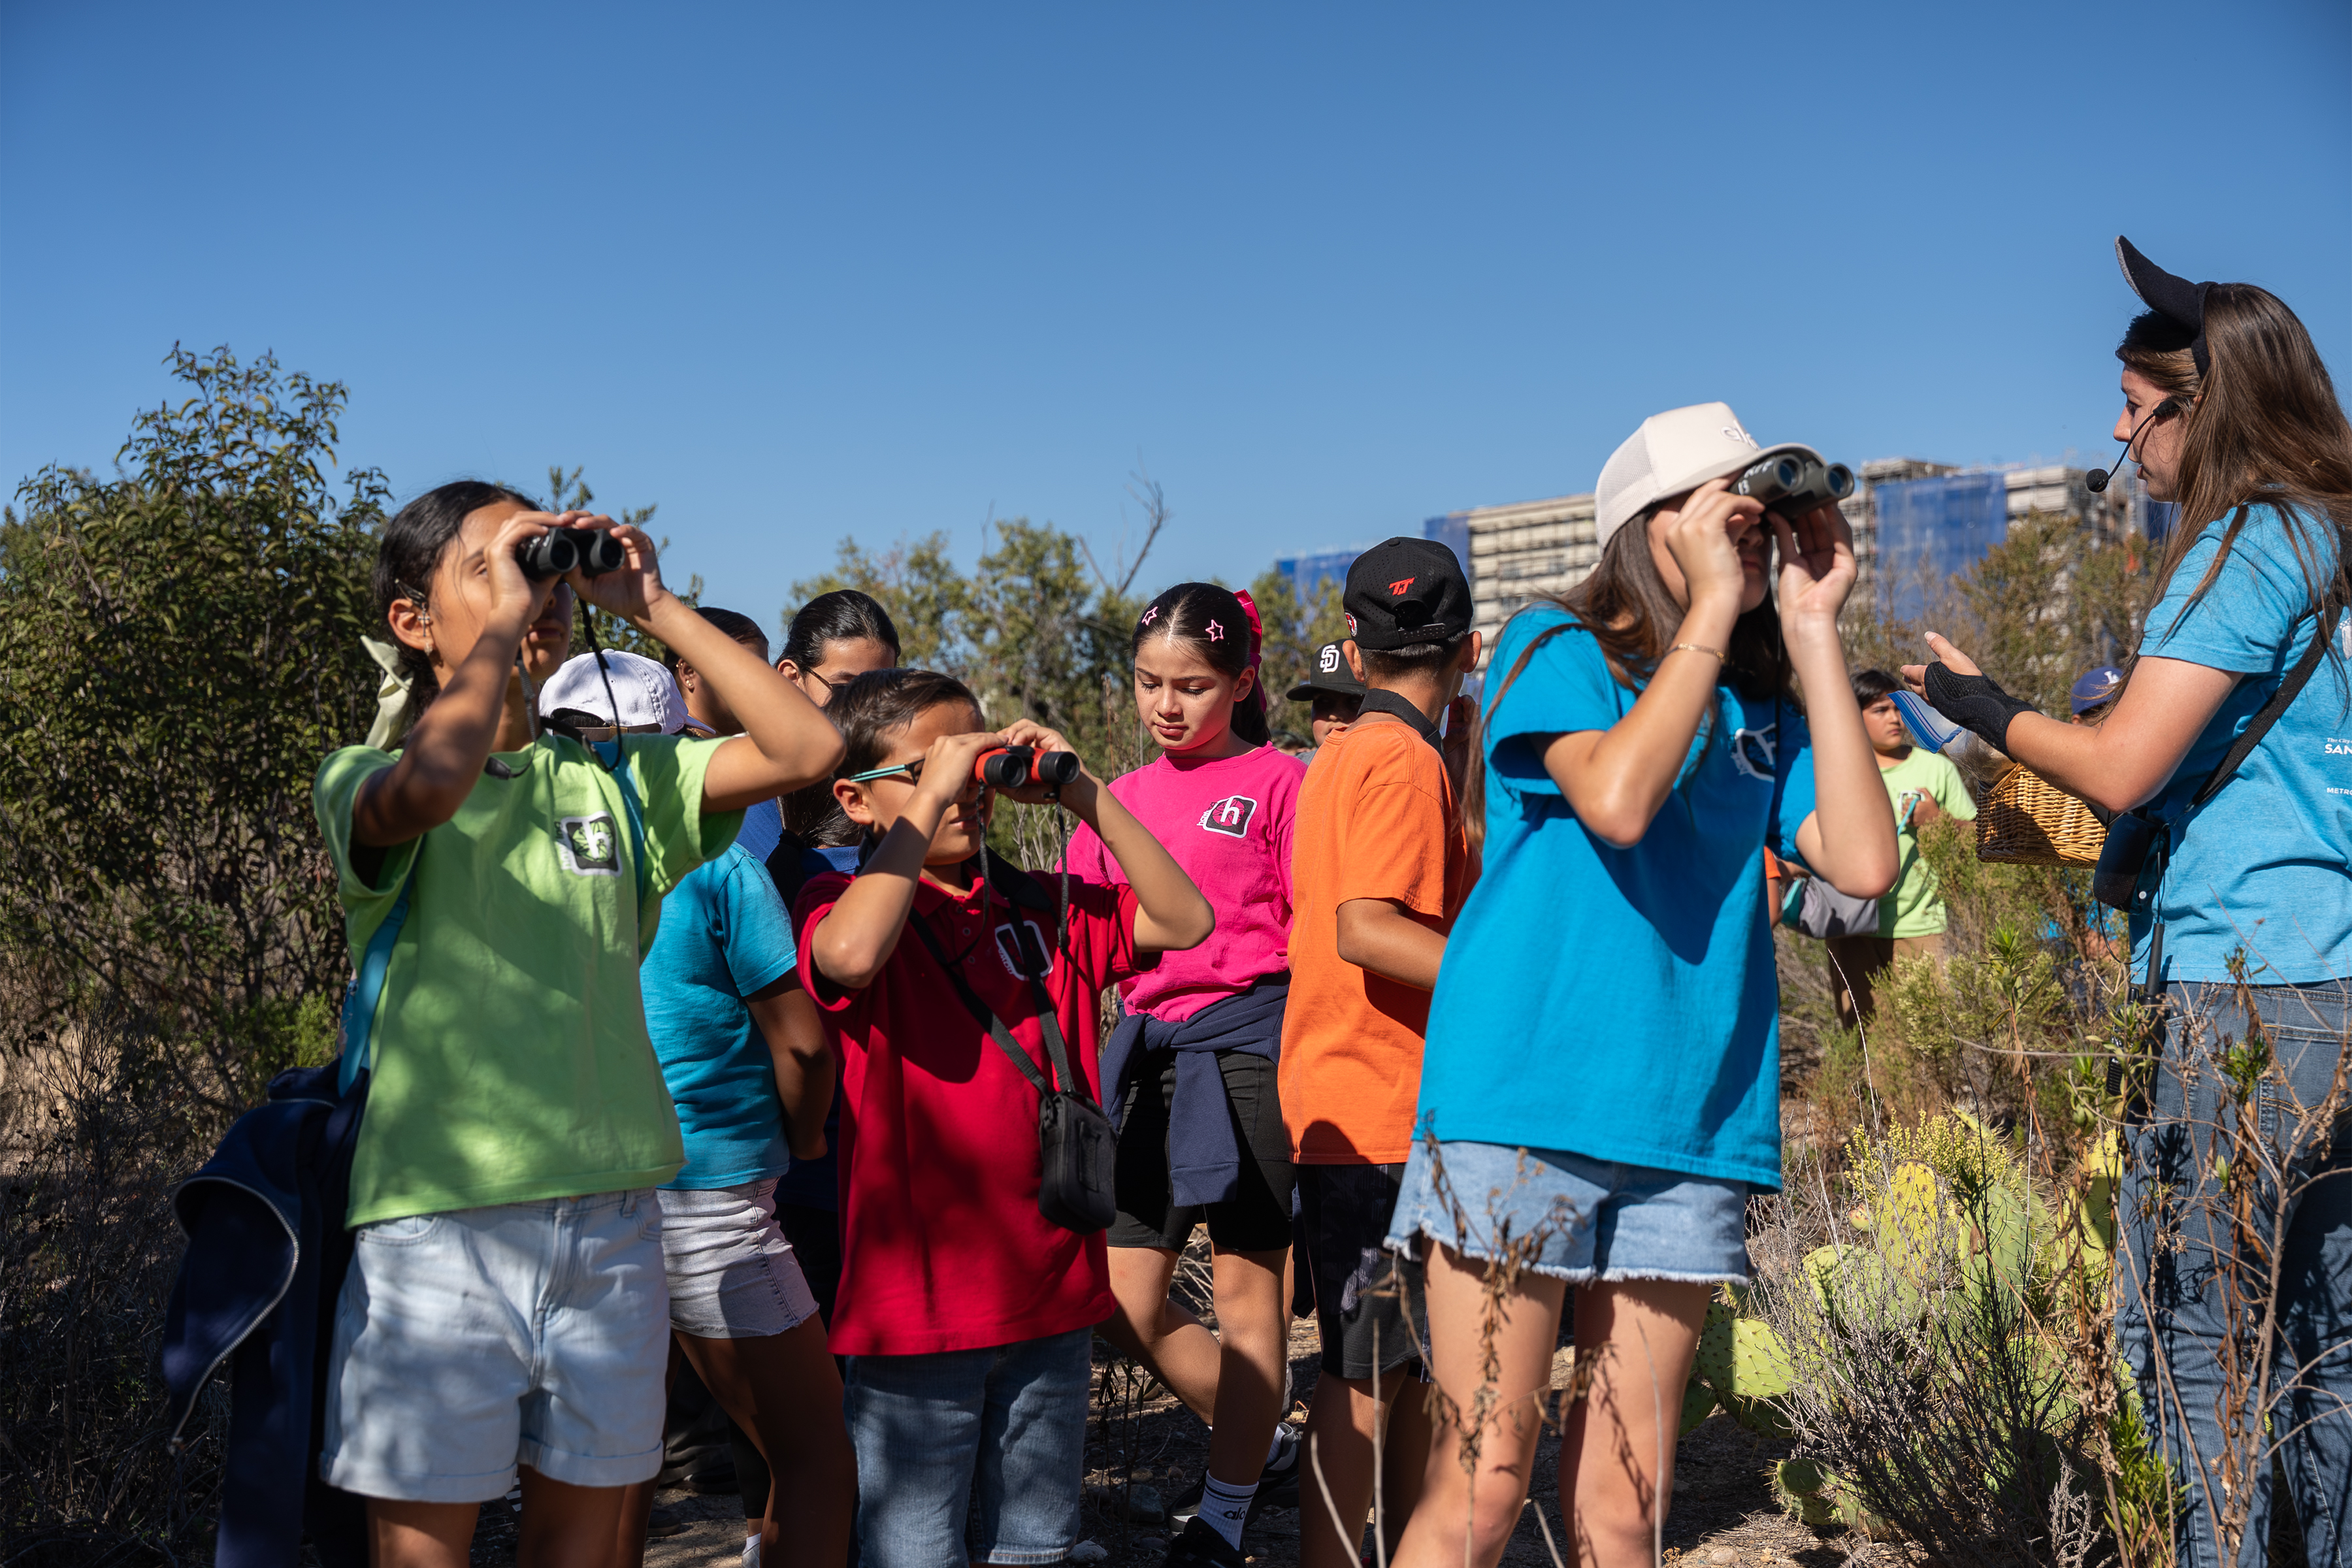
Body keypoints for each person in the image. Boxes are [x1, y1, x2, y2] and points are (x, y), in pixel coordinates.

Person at [1386, 402, 1898, 1568]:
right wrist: (1715, 607)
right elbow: (1617, 802)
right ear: (1648, 526)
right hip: (1521, 1110)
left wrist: (1814, 629)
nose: (1753, 536)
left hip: (1689, 1122)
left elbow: (1864, 865)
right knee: (1482, 1488)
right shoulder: (1550, 645)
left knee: (1627, 1507)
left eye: (1765, 518)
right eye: (1728, 513)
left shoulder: (1762, 704)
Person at [1904, 238, 2352, 1566]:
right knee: (2327, 1347)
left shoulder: (2248, 542)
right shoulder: (2336, 540)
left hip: (2244, 988)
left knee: (2207, 1344)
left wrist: (1983, 709)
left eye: (2133, 403)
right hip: (2334, 983)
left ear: (2201, 405)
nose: (2116, 430)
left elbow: (2120, 761)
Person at [312, 481, 842, 1568]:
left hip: (611, 1222)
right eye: (493, 566)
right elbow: (433, 783)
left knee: (584, 1543)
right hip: (438, 1224)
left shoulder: (618, 787)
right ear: (412, 622)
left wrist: (650, 602)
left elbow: (806, 749)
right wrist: (507, 626)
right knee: (425, 1550)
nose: (538, 592)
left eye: (545, 568)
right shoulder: (361, 779)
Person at [793, 670, 1215, 1568]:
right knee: (913, 1553)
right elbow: (852, 957)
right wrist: (933, 789)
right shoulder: (839, 908)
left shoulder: (1038, 906)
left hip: (1052, 1296)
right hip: (919, 1315)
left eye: (974, 761)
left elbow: (1186, 919)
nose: (964, 790)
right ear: (855, 802)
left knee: (1035, 1549)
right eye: (926, 769)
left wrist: (1080, 790)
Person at [538, 651, 855, 1568]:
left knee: (614, 1461)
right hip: (710, 1189)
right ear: (684, 744)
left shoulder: (517, 852)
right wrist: (803, 1135)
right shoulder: (716, 866)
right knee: (816, 1455)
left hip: (578, 1189)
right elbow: (800, 1041)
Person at [1067, 583, 1306, 1567]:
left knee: (1253, 1303)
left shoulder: (1285, 780)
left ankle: (1225, 1508)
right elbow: (1084, 950)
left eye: (1194, 686)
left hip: (1254, 1051)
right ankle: (1272, 1443)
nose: (1168, 705)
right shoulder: (1108, 799)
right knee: (1117, 1297)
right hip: (1147, 1059)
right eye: (1148, 683)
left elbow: (1317, 934)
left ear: (1242, 681)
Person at [1281, 538, 1482, 1568]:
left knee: (1394, 1374)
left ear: (1355, 653)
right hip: (1381, 1112)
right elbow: (1368, 928)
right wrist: (1502, 980)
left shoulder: (1350, 749)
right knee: (1363, 1380)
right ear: (1467, 643)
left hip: (1350, 1096)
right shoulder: (1402, 758)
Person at [765, 589, 903, 1337]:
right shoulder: (745, 810)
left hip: (886, 1157)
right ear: (790, 677)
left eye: (886, 691)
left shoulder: (901, 819)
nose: (867, 713)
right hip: (785, 1160)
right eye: (849, 691)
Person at [1821, 668, 1978, 1028]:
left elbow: (1979, 839)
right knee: (1868, 1043)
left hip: (1921, 927)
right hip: (1851, 928)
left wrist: (1938, 821)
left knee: (1931, 1042)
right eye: (1880, 709)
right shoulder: (1834, 772)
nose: (1895, 717)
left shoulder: (1936, 768)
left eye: (1899, 707)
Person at [1286, 638, 1365, 757]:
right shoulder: (1297, 771)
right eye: (1323, 701)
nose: (1335, 715)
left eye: (1354, 701)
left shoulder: (1395, 767)